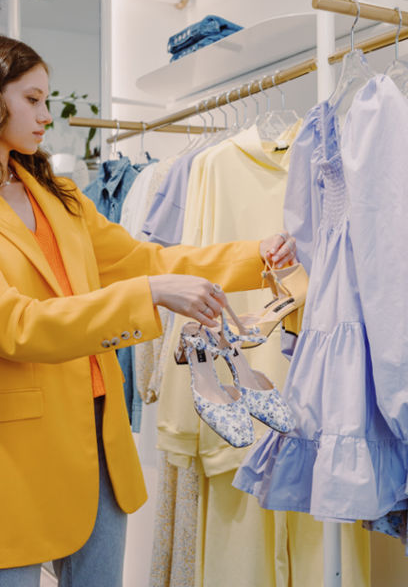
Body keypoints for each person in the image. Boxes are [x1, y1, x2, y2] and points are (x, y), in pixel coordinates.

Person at [0, 35, 297, 587]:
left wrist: (255, 255)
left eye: (46, 100)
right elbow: (16, 327)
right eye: (32, 100)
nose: (46, 116)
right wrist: (151, 293)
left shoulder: (58, 194)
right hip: (15, 450)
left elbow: (143, 259)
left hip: (98, 433)